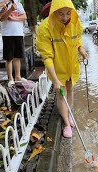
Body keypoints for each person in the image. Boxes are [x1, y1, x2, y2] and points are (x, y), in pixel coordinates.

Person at [36, 0, 88, 138]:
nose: (65, 18)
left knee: (70, 90)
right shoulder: (45, 28)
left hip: (72, 65)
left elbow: (77, 40)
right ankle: (66, 123)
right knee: (61, 94)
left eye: (68, 13)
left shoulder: (75, 22)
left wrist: (81, 49)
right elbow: (47, 57)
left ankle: (69, 114)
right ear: (53, 12)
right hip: (57, 68)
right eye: (60, 14)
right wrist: (54, 80)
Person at [0, 0, 27, 86]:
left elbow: (24, 16)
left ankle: (18, 77)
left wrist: (13, 18)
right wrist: (10, 10)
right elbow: (1, 19)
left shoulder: (18, 3)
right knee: (9, 57)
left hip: (18, 33)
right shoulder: (0, 2)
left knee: (17, 56)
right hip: (8, 34)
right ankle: (10, 78)